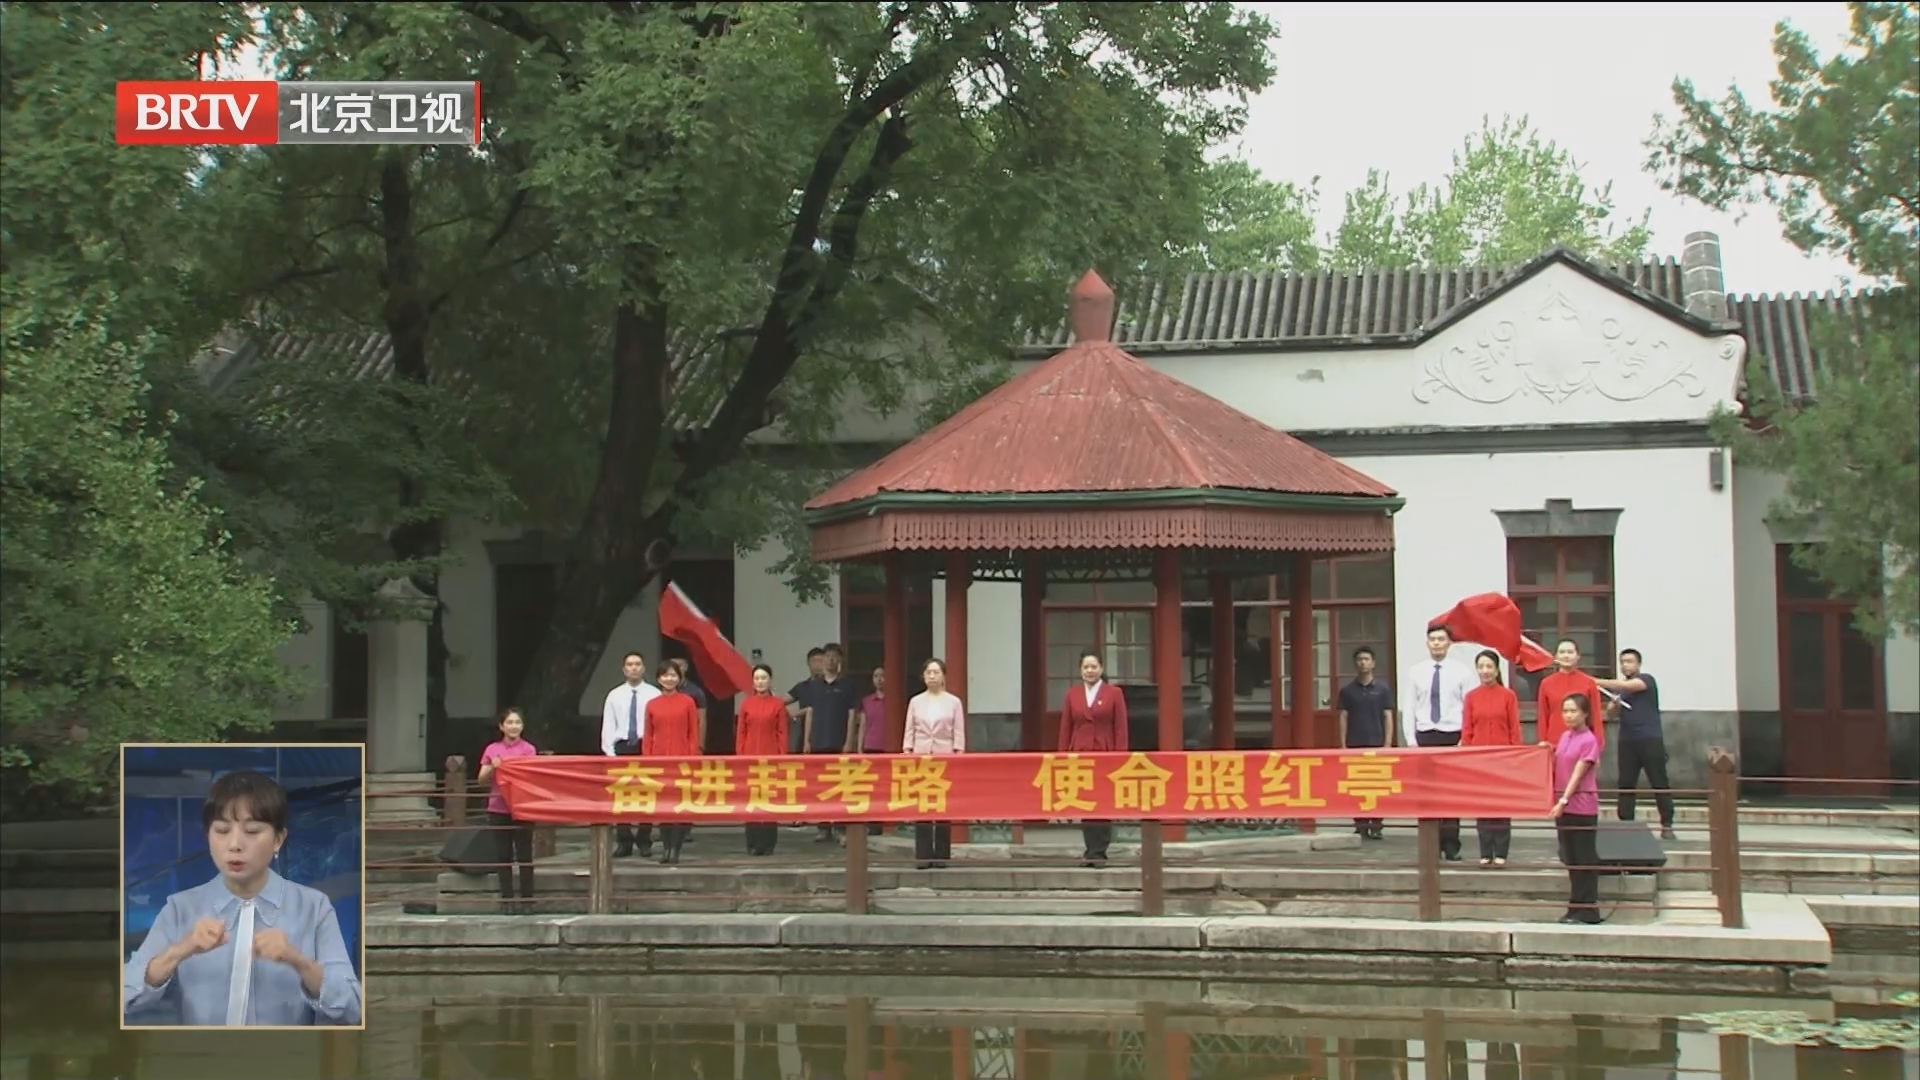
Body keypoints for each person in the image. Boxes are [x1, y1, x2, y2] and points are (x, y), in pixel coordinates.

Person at [123, 770, 362, 1026]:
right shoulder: (179, 909)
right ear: (208, 835)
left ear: (278, 839)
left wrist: (299, 960)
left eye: (252, 831)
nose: (235, 844)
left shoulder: (314, 908)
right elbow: (126, 997)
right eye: (222, 830)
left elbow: (353, 1008)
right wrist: (182, 949)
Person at [1402, 625, 1474, 861]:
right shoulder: (1416, 672)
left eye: (1441, 640)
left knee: (1451, 793)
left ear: (1449, 643)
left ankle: (1451, 844)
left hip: (1452, 734)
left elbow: (1468, 707)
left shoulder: (1462, 672)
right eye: (1432, 640)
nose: (1436, 644)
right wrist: (1411, 739)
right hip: (1425, 735)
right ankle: (1430, 845)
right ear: (1427, 643)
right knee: (1426, 793)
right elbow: (1410, 706)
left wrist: (1466, 738)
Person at [1057, 651, 1128, 868]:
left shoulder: (1114, 693)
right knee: (1085, 803)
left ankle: (1099, 852)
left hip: (1105, 752)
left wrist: (1120, 756)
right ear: (1080, 670)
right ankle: (1090, 850)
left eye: (1093, 666)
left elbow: (1120, 727)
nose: (1090, 671)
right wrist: (1062, 756)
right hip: (1080, 753)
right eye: (1086, 667)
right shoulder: (1073, 695)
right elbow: (1066, 728)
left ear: (1102, 668)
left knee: (1103, 802)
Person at [1598, 648, 1676, 840]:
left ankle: (1667, 824)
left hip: (1650, 739)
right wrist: (1613, 704)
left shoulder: (1645, 680)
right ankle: (1627, 825)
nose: (1625, 665)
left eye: (1629, 661)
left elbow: (1631, 687)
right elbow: (1610, 714)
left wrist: (1595, 681)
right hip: (1627, 741)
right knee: (1626, 784)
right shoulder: (1621, 690)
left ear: (1638, 664)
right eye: (1623, 662)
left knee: (1659, 782)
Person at [903, 658, 967, 870]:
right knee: (922, 807)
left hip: (944, 757)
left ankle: (941, 855)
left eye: (936, 672)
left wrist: (957, 754)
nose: (932, 676)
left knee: (941, 807)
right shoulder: (915, 701)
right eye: (928, 672)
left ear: (943, 676)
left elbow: (958, 732)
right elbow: (909, 730)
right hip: (921, 757)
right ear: (923, 676)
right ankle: (922, 855)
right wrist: (907, 751)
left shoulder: (953, 702)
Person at [1461, 650, 1522, 868]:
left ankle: (1501, 852)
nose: (1485, 671)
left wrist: (1515, 756)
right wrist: (1467, 755)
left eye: (1489, 667)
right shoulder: (1471, 697)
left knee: (1501, 806)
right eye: (1481, 667)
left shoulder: (1508, 696)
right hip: (1479, 758)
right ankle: (1485, 851)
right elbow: (1467, 730)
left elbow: (1515, 728)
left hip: (1503, 757)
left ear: (1497, 670)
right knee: (1483, 805)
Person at [1549, 693, 1604, 925]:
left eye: (1573, 711)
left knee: (1584, 858)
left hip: (1581, 805)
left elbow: (1578, 773)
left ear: (1585, 713)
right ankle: (1575, 906)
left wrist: (1563, 800)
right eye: (1566, 711)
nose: (1569, 715)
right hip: (1562, 804)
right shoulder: (1564, 736)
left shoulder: (1589, 739)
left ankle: (1588, 908)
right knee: (1570, 857)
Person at [477, 707, 538, 911]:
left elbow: (532, 776)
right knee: (503, 855)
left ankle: (527, 900)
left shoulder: (529, 749)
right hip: (498, 807)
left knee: (524, 854)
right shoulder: (492, 749)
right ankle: (507, 900)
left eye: (517, 723)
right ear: (501, 726)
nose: (514, 726)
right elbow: (481, 780)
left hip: (522, 808)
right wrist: (493, 766)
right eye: (510, 723)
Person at [602, 651, 661, 858]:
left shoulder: (655, 694)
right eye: (630, 664)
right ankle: (624, 840)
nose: (634, 668)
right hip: (623, 746)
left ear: (644, 668)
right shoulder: (614, 695)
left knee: (647, 792)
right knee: (621, 795)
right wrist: (609, 752)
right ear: (624, 669)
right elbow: (608, 726)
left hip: (646, 746)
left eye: (638, 664)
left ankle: (644, 839)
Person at [643, 663, 703, 865]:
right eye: (665, 676)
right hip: (658, 762)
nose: (669, 679)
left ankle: (675, 849)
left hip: (682, 761)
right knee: (663, 808)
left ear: (679, 678)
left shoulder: (687, 702)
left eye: (673, 675)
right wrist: (648, 761)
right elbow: (649, 735)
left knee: (678, 807)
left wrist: (692, 757)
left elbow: (693, 733)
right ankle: (665, 848)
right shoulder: (652, 704)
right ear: (659, 679)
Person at [1336, 646, 1395, 840]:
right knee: (1358, 786)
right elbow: (1343, 717)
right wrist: (1343, 744)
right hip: (1355, 742)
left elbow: (1388, 716)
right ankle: (1360, 824)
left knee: (1376, 786)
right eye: (1360, 659)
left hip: (1377, 742)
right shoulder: (1347, 691)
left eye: (1367, 659)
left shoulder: (1383, 690)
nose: (1363, 663)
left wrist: (1387, 744)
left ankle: (1376, 824)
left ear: (1373, 663)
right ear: (1355, 663)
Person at [807, 643, 862, 844]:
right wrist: (807, 740)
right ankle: (823, 827)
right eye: (827, 656)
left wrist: (849, 740)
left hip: (839, 741)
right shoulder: (815, 685)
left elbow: (852, 714)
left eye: (834, 657)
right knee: (821, 785)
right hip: (819, 740)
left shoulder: (848, 685)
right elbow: (811, 712)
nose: (830, 660)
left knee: (840, 785)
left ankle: (840, 827)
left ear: (840, 660)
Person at [735, 664, 791, 856]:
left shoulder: (777, 704)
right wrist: (740, 757)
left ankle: (768, 843)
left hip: (771, 757)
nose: (760, 682)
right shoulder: (746, 704)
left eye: (763, 678)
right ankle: (752, 842)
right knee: (751, 801)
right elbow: (741, 733)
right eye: (757, 678)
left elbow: (782, 733)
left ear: (770, 680)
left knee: (768, 800)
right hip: (749, 757)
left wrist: (781, 758)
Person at [1537, 638, 1606, 748]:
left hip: (1583, 742)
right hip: (1554, 742)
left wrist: (1598, 743)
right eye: (1562, 652)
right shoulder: (1546, 683)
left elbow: (1595, 714)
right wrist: (1542, 740)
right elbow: (1543, 715)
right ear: (1556, 656)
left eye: (1570, 652)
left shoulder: (1588, 682)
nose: (1566, 656)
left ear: (1578, 656)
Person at [853, 666, 890, 838]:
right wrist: (860, 749)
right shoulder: (867, 701)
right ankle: (872, 823)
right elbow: (862, 725)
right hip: (870, 747)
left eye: (883, 676)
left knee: (886, 788)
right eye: (876, 676)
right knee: (871, 789)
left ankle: (886, 822)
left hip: (888, 749)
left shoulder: (894, 699)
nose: (879, 679)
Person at [786, 647, 828, 755]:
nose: (818, 665)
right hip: (805, 736)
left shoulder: (832, 686)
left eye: (821, 661)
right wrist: (792, 714)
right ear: (808, 663)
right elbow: (778, 703)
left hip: (827, 737)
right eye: (814, 661)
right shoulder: (802, 687)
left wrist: (803, 711)